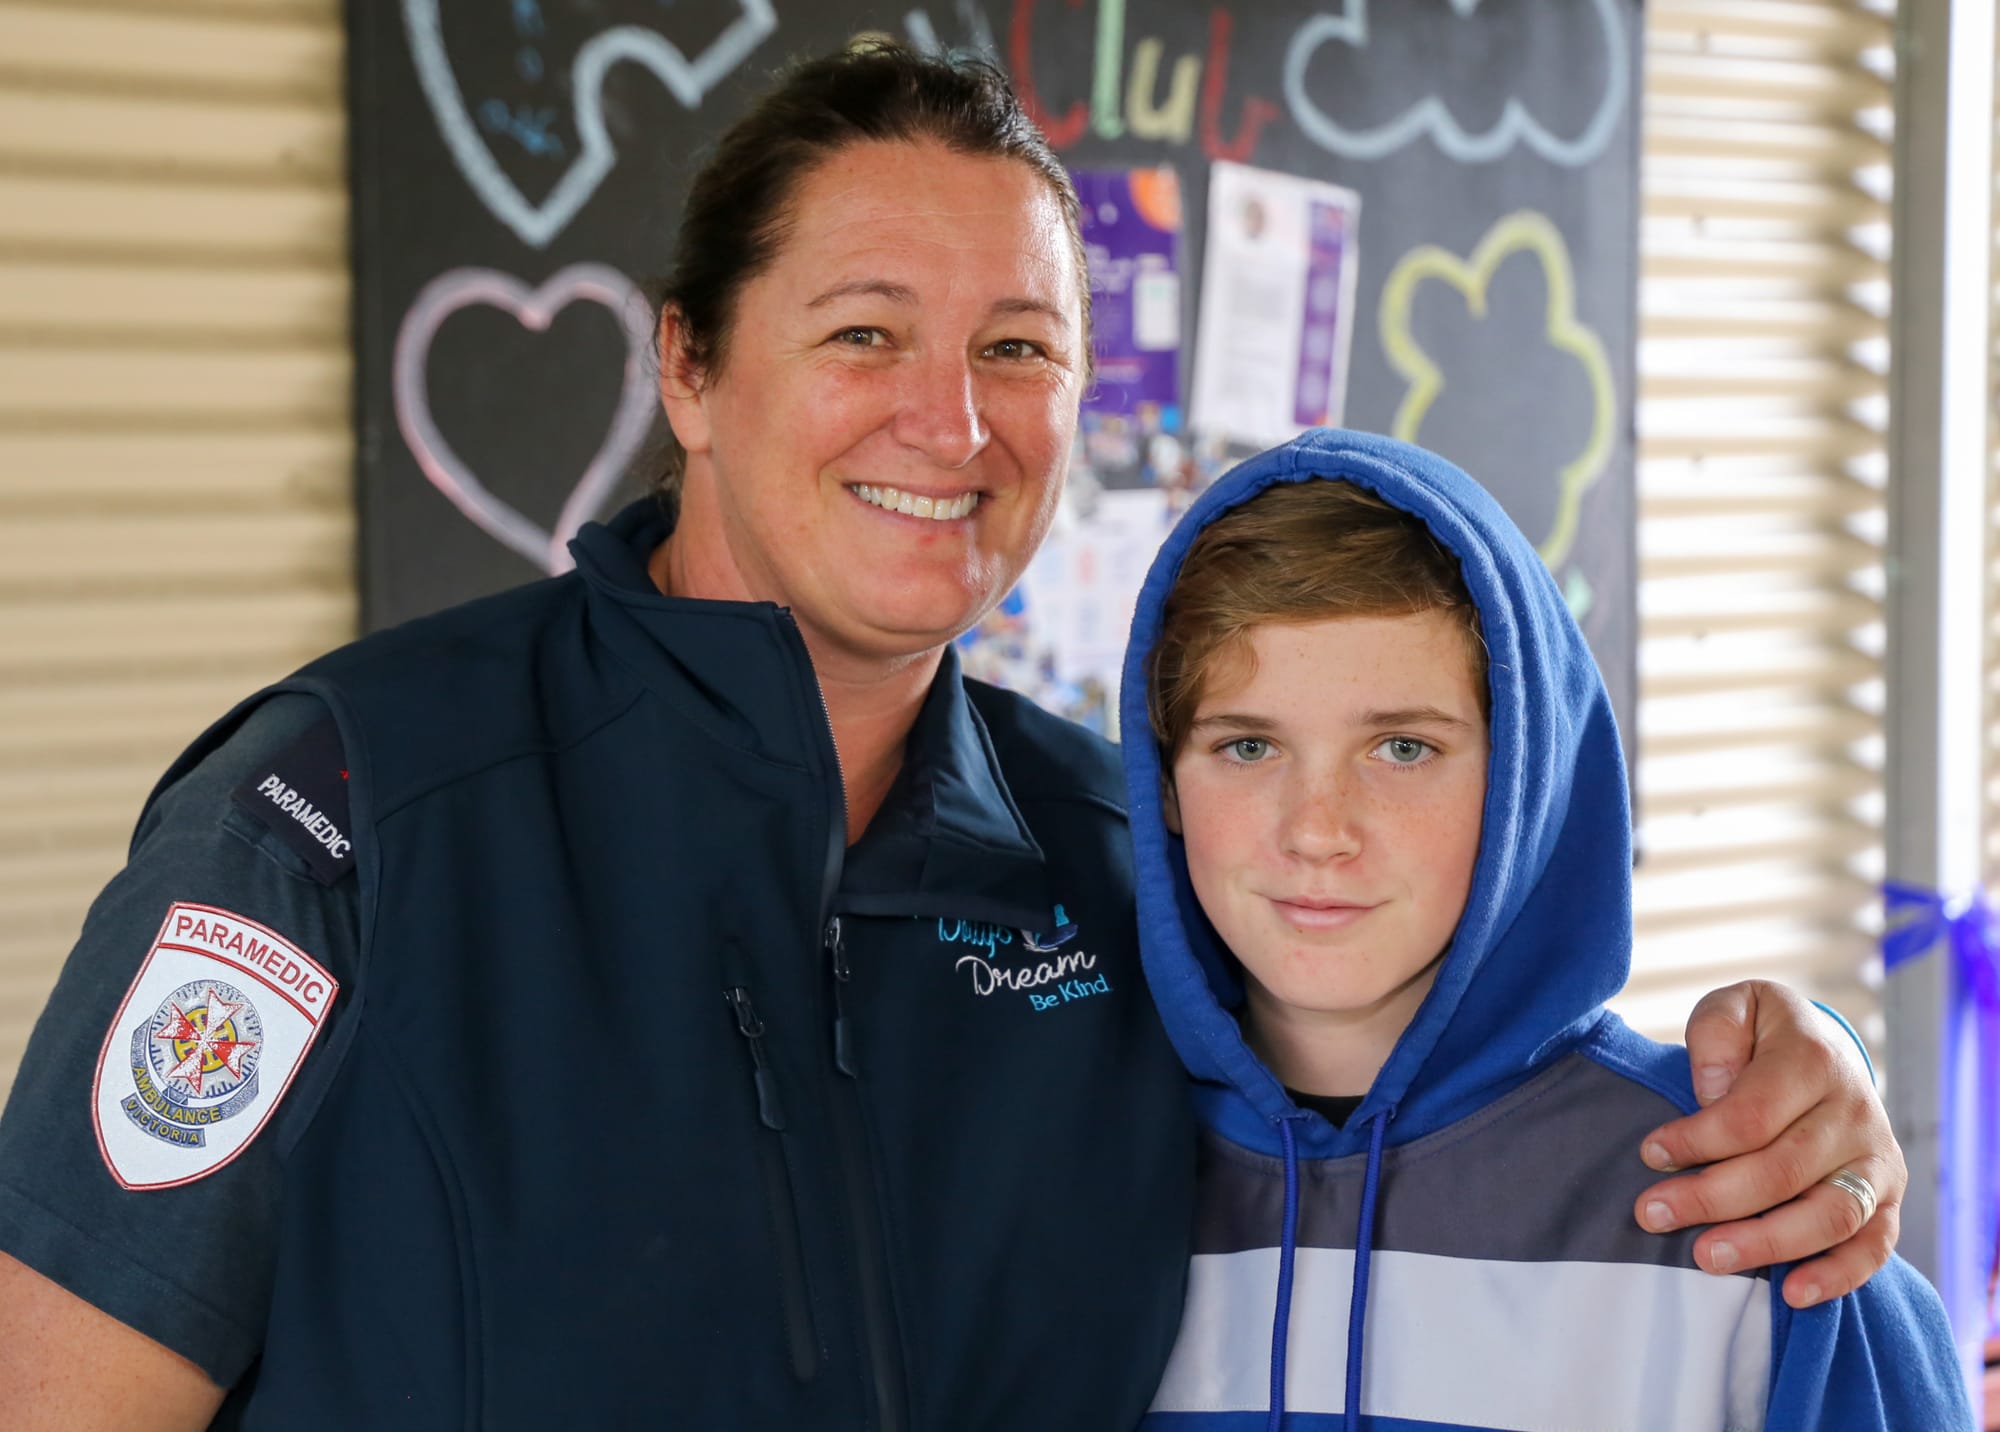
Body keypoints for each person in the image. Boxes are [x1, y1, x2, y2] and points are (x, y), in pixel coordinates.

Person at [0, 45, 1909, 1431]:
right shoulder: (347, 807)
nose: (954, 421)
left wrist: (1783, 1077)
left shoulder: (1117, 858)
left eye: (1019, 347)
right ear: (689, 366)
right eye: (861, 334)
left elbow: (1417, 1091)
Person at [1119, 429, 1968, 1430]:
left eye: (1400, 747)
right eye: (1246, 744)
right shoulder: (1070, 1166)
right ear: (1164, 781)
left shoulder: (1753, 1205)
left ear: (1523, 778)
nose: (1316, 830)